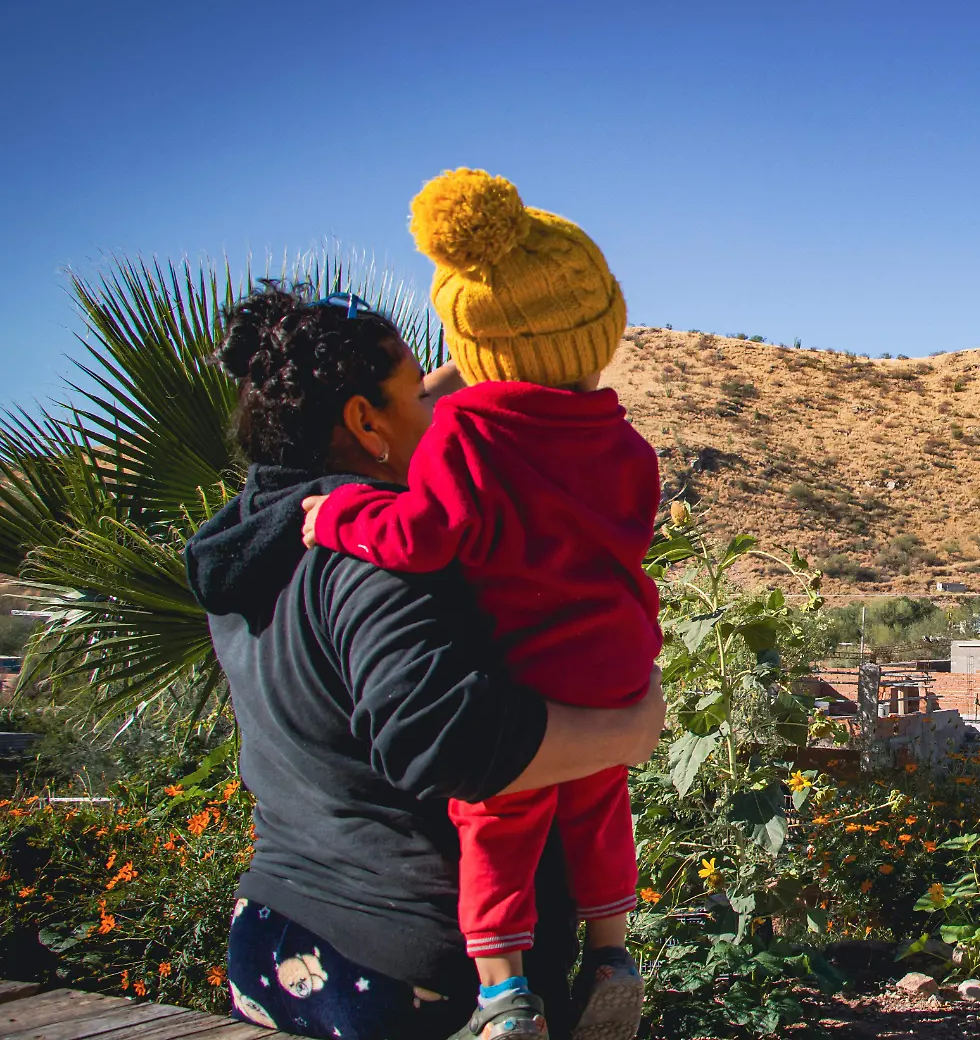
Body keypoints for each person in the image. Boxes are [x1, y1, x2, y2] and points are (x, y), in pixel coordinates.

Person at [185, 282, 665, 1040]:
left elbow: (411, 404)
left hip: (278, 931)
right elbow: (445, 740)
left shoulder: (251, 540)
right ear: (363, 420)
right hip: (407, 976)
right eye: (417, 391)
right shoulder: (372, 557)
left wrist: (492, 359)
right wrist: (630, 732)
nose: (440, 404)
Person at [301, 168, 660, 1040]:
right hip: (614, 657)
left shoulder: (466, 431)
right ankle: (612, 954)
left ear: (469, 336)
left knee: (496, 816)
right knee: (598, 798)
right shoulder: (622, 438)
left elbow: (423, 534)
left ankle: (503, 993)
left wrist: (342, 512)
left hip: (529, 662)